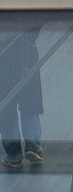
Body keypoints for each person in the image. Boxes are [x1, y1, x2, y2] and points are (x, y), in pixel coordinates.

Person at [0, 22, 42, 168]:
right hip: (25, 51)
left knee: (5, 106)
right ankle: (32, 145)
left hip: (3, 54)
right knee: (30, 100)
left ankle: (13, 153)